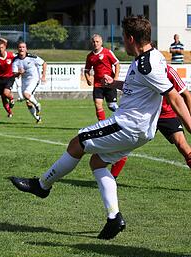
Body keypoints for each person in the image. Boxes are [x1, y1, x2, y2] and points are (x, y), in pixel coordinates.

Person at [10, 15, 191, 240]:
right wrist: (115, 84)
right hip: (138, 129)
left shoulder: (147, 65)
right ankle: (114, 218)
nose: (122, 42)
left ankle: (42, 185)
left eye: (124, 37)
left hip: (128, 125)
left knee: (78, 142)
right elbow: (141, 88)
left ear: (131, 38)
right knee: (97, 163)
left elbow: (174, 96)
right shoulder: (149, 57)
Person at [112, 64, 191, 178]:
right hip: (146, 114)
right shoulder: (138, 69)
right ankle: (111, 179)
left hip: (167, 115)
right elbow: (130, 87)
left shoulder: (168, 71)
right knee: (126, 144)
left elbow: (186, 94)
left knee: (182, 145)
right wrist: (113, 83)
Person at [85, 34, 120, 121]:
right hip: (98, 84)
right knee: (98, 104)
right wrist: (88, 78)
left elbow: (117, 64)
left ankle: (123, 120)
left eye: (97, 41)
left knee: (112, 106)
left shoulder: (107, 52)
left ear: (101, 42)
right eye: (93, 42)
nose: (95, 43)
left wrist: (115, 78)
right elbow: (86, 70)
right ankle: (102, 124)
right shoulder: (90, 56)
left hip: (109, 83)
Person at [12, 41, 47, 123]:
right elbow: (14, 75)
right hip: (24, 80)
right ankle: (38, 118)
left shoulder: (32, 57)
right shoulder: (15, 60)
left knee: (26, 94)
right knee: (28, 102)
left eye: (23, 47)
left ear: (26, 49)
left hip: (34, 79)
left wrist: (43, 76)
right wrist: (19, 73)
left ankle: (37, 105)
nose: (21, 49)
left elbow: (44, 63)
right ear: (18, 49)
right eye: (20, 47)